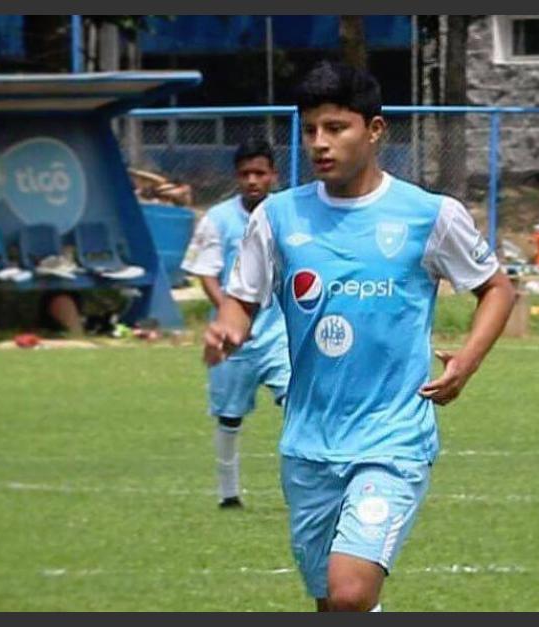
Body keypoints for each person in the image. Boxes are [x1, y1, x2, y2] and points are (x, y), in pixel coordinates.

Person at [205, 61, 515, 611]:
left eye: (335, 128)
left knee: (350, 592)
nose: (319, 143)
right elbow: (242, 299)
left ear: (374, 130)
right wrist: (228, 328)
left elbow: (497, 288)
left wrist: (465, 362)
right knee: (331, 602)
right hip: (308, 443)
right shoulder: (278, 217)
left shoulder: (429, 215)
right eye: (309, 130)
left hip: (392, 439)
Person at [183, 139, 291, 509]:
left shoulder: (287, 215)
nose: (252, 180)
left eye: (260, 173)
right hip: (234, 341)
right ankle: (228, 493)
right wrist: (232, 317)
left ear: (273, 175)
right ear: (236, 177)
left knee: (299, 404)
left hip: (280, 335)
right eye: (245, 174)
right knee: (229, 416)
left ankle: (306, 485)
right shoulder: (217, 219)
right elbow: (206, 273)